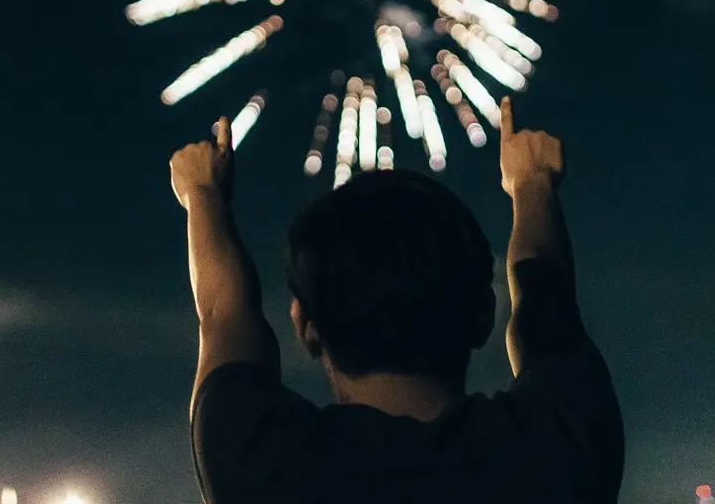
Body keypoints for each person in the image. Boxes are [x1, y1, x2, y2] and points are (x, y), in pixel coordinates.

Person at [170, 96, 623, 503]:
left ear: (306, 327)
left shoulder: (259, 465)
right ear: (484, 316)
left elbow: (224, 315)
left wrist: (203, 194)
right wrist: (533, 182)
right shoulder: (561, 450)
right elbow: (547, 310)